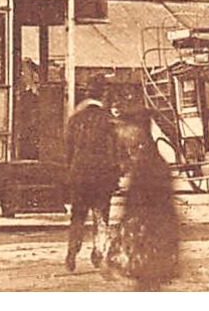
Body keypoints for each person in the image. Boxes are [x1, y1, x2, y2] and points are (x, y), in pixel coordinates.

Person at [107, 120, 181, 291]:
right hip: (152, 238)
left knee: (147, 281)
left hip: (149, 237)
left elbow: (136, 207)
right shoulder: (153, 164)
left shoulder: (145, 168)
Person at [63, 74, 122, 272]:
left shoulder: (75, 119)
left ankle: (72, 252)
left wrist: (70, 172)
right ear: (103, 94)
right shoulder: (109, 121)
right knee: (101, 216)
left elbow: (68, 151)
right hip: (102, 175)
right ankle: (98, 252)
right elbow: (115, 152)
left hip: (79, 174)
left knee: (77, 215)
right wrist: (116, 174)